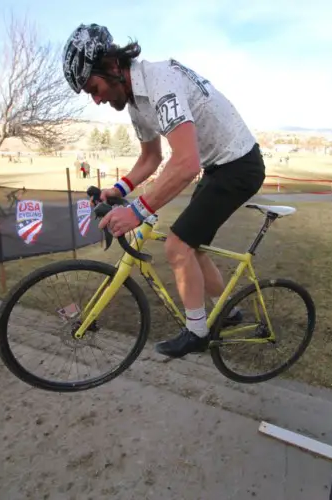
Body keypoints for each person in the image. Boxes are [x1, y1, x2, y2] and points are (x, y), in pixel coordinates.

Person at [63, 23, 265, 358]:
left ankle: (196, 332)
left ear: (113, 66)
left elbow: (185, 164)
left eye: (94, 88)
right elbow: (151, 157)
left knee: (177, 245)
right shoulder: (135, 102)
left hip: (240, 164)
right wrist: (118, 189)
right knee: (192, 246)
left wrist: (135, 211)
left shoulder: (160, 83)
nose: (96, 100)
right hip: (217, 166)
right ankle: (227, 314)